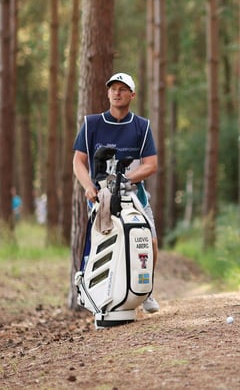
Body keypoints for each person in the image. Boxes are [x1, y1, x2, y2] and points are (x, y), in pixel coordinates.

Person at [72, 72, 160, 314]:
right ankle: (100, 295)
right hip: (102, 197)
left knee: (149, 242)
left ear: (132, 95)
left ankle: (146, 291)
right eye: (113, 88)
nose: (117, 93)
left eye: (123, 89)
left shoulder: (142, 126)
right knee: (104, 244)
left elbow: (150, 165)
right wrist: (89, 186)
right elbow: (78, 161)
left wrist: (125, 179)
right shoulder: (92, 123)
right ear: (108, 92)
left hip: (135, 195)